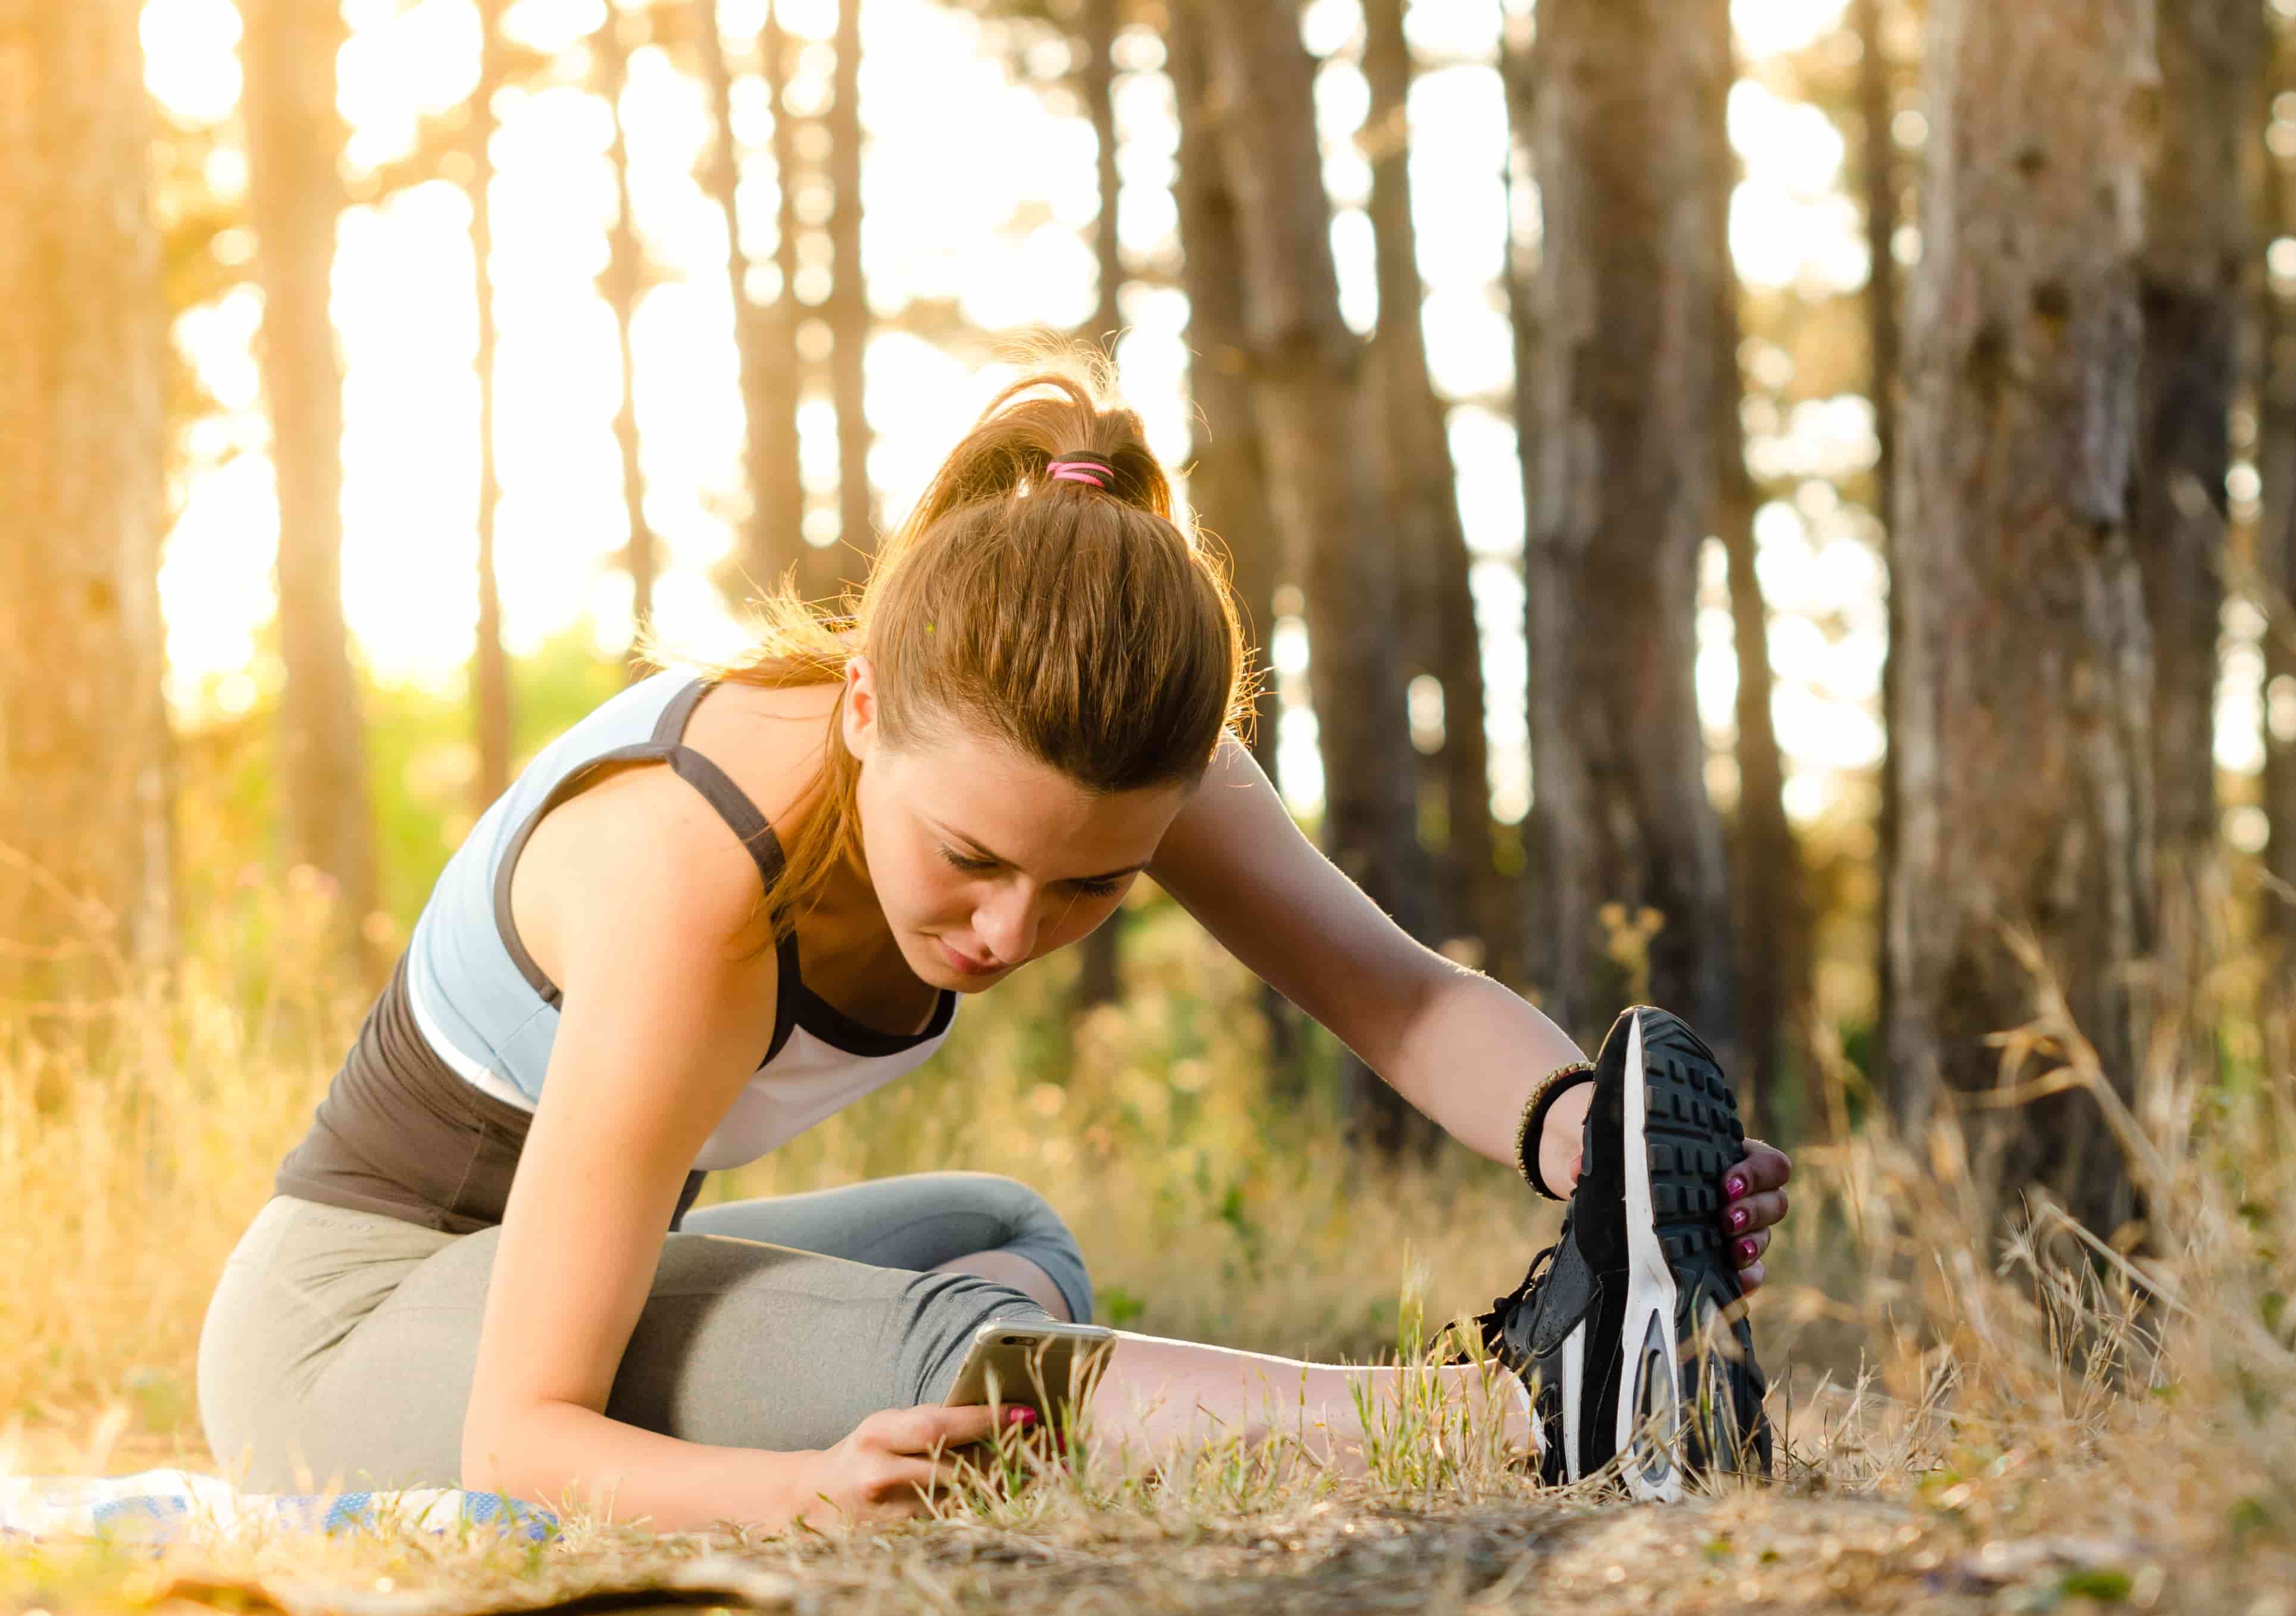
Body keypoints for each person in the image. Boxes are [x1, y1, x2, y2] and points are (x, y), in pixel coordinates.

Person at [196, 367, 1796, 1527]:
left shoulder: (1099, 754)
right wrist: (794, 1488)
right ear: (865, 708)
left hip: (545, 1286)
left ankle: (1590, 1366)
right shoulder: (693, 879)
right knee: (957, 1358)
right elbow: (518, 1438)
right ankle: (1516, 1421)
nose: (1013, 931)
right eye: (970, 860)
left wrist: (1593, 1143)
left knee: (1004, 1235)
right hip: (347, 1343)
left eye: (1092, 889)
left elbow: (1403, 998)